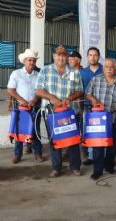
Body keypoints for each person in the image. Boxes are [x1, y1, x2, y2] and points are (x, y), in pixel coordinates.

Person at [35, 45, 83, 178]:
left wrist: (70, 98)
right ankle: (56, 167)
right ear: (54, 56)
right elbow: (38, 90)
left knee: (73, 139)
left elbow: (79, 90)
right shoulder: (45, 70)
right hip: (51, 112)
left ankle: (75, 167)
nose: (61, 57)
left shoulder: (73, 71)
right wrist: (52, 98)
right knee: (54, 139)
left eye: (63, 55)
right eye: (58, 55)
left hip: (70, 111)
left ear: (67, 57)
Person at [85, 58, 116, 180]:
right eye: (106, 67)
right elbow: (87, 93)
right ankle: (97, 170)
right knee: (98, 145)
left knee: (112, 145)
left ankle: (109, 166)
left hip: (114, 118)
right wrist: (93, 100)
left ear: (115, 68)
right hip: (98, 120)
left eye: (111, 67)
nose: (109, 69)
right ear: (103, 68)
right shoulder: (96, 80)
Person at [7, 48, 44, 164]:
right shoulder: (16, 73)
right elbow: (10, 90)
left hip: (35, 107)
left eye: (33, 60)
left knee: (35, 131)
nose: (32, 62)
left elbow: (41, 91)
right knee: (20, 130)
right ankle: (18, 155)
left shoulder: (38, 75)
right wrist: (21, 99)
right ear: (24, 61)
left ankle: (38, 154)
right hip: (21, 108)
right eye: (29, 60)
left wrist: (35, 99)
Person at [79, 47, 103, 166]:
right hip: (87, 106)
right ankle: (91, 156)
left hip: (103, 106)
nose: (93, 57)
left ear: (99, 57)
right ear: (87, 57)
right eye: (90, 55)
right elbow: (79, 90)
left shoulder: (105, 70)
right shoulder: (82, 72)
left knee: (102, 131)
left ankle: (102, 156)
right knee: (89, 131)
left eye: (95, 55)